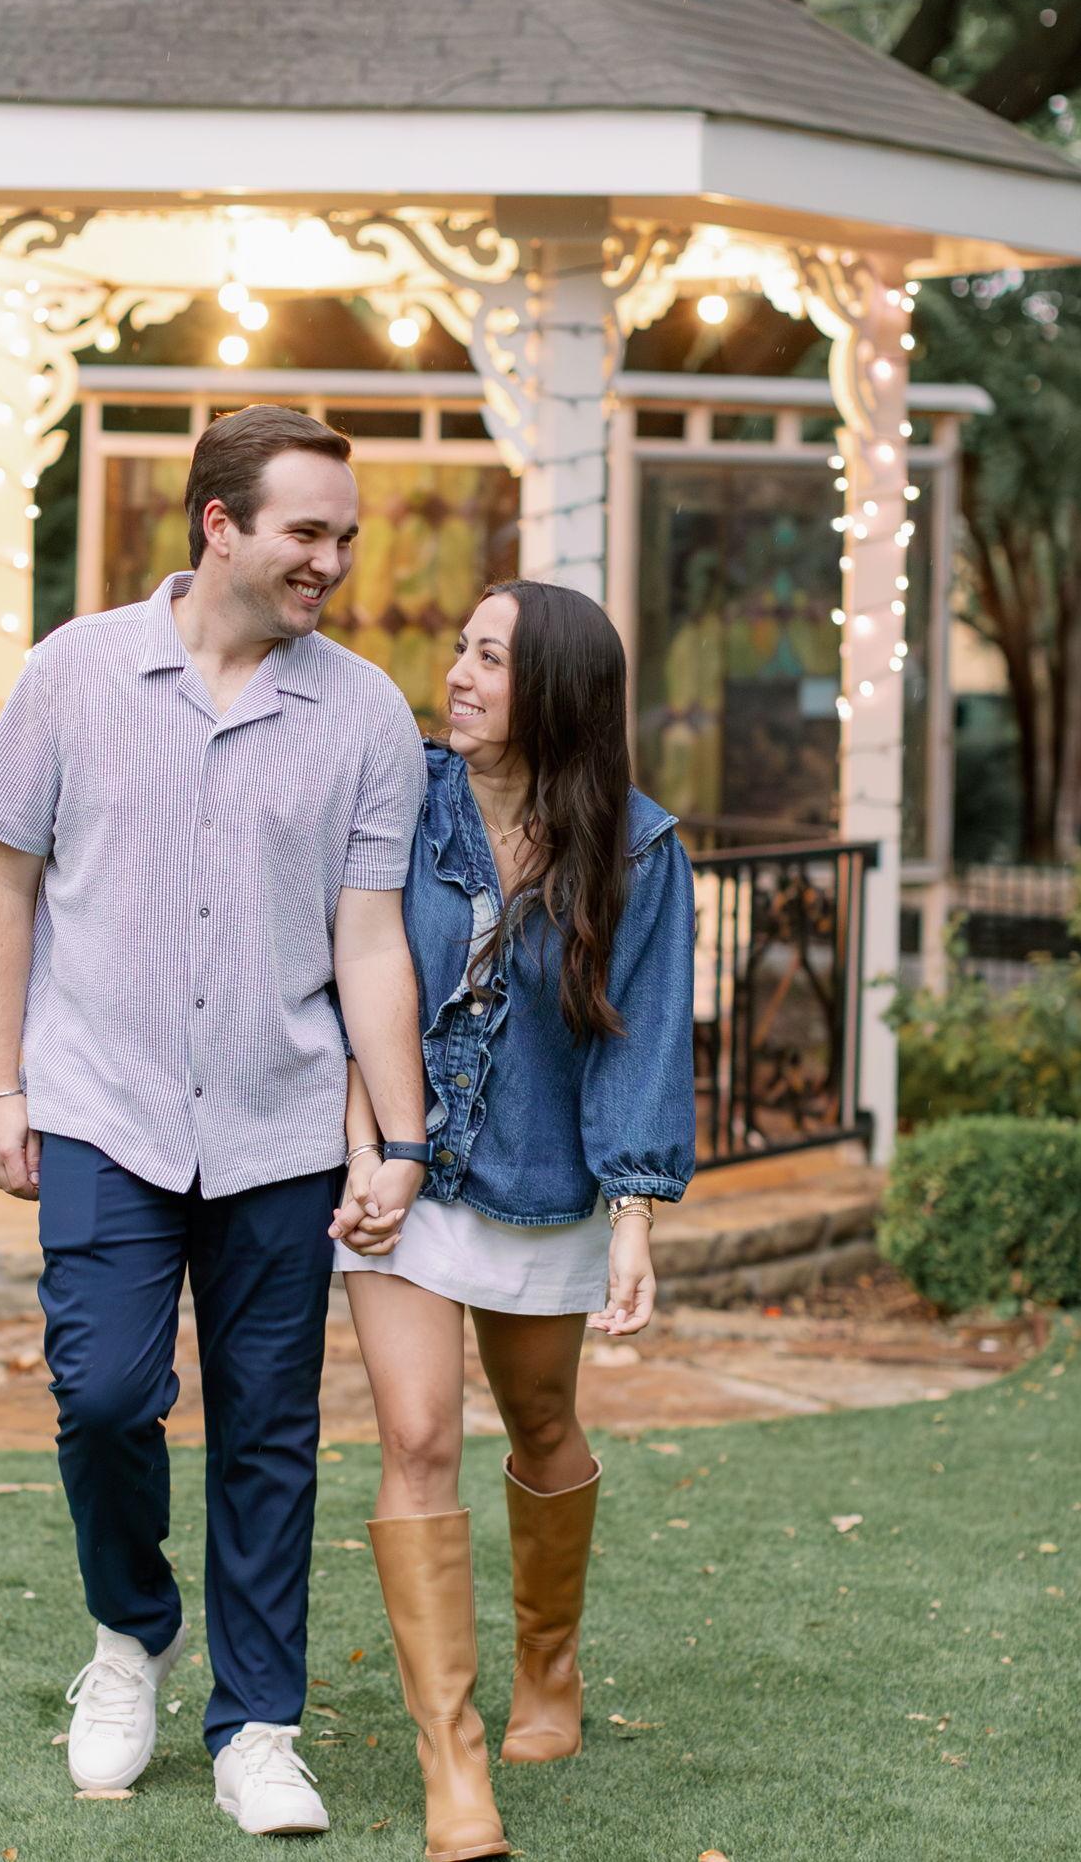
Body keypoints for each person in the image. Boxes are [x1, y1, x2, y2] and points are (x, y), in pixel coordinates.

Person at [0, 405, 431, 1838]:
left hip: (281, 1124)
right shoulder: (74, 671)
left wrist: (398, 1138)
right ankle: (132, 1631)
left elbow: (369, 940)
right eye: (307, 532)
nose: (330, 560)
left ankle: (258, 1728)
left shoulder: (367, 715)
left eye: (345, 536)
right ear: (219, 524)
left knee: (269, 1430)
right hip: (102, 1103)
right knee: (104, 1395)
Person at [330, 580, 697, 1862]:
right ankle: (452, 1760)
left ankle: (549, 1661)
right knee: (418, 1433)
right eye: (461, 651)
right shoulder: (401, 797)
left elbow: (640, 1035)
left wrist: (632, 1214)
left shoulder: (636, 848)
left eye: (490, 658)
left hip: (543, 1176)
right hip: (400, 1169)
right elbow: (350, 973)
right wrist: (368, 1146)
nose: (459, 675)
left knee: (539, 1422)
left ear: (552, 691)